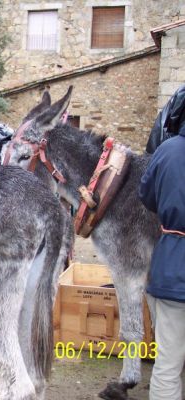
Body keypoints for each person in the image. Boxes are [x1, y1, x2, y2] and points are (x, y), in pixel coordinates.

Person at [139, 123, 185, 400]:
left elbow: (147, 196)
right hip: (171, 270)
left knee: (167, 366)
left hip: (170, 268)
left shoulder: (167, 150)